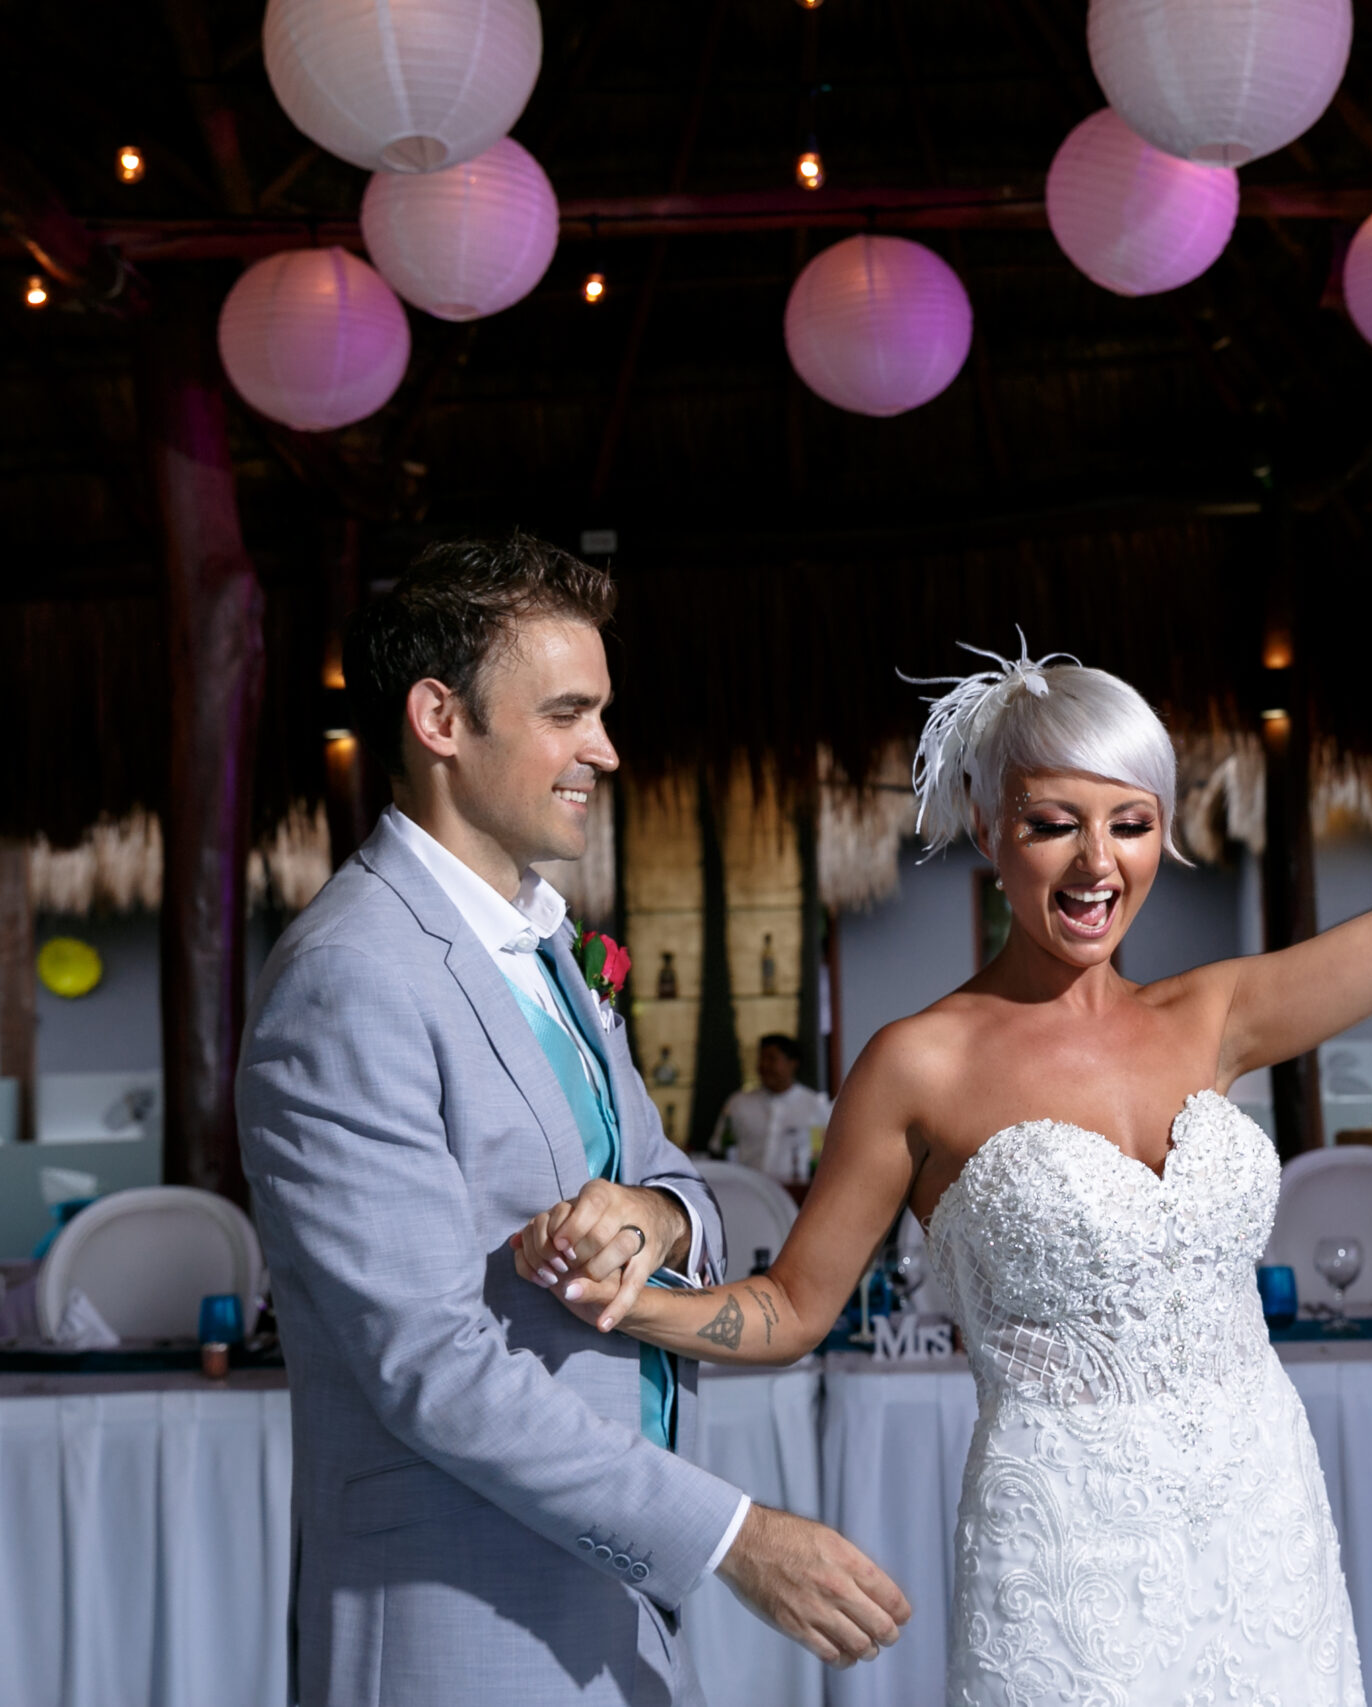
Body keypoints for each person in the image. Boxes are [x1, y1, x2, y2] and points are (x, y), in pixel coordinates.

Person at [512, 580, 1372, 1703]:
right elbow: (791, 1310)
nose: (1095, 864)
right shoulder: (922, 1063)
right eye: (1054, 825)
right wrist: (632, 1304)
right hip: (1059, 1545)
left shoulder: (1216, 1017)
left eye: (1131, 825)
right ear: (988, 828)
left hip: (1260, 1517)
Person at [237, 533, 909, 1706]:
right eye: (567, 712)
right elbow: (427, 1365)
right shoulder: (351, 974)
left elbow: (684, 1190)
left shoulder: (545, 945)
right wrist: (731, 1536)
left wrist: (648, 1216)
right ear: (441, 720)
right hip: (453, 1611)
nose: (603, 749)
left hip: (593, 1603)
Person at [708, 1034, 831, 1183]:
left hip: (796, 1194)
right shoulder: (738, 1103)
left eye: (772, 1059)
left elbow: (827, 1158)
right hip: (745, 1191)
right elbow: (720, 1150)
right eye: (761, 1059)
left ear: (792, 1063)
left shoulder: (815, 1106)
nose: (764, 1065)